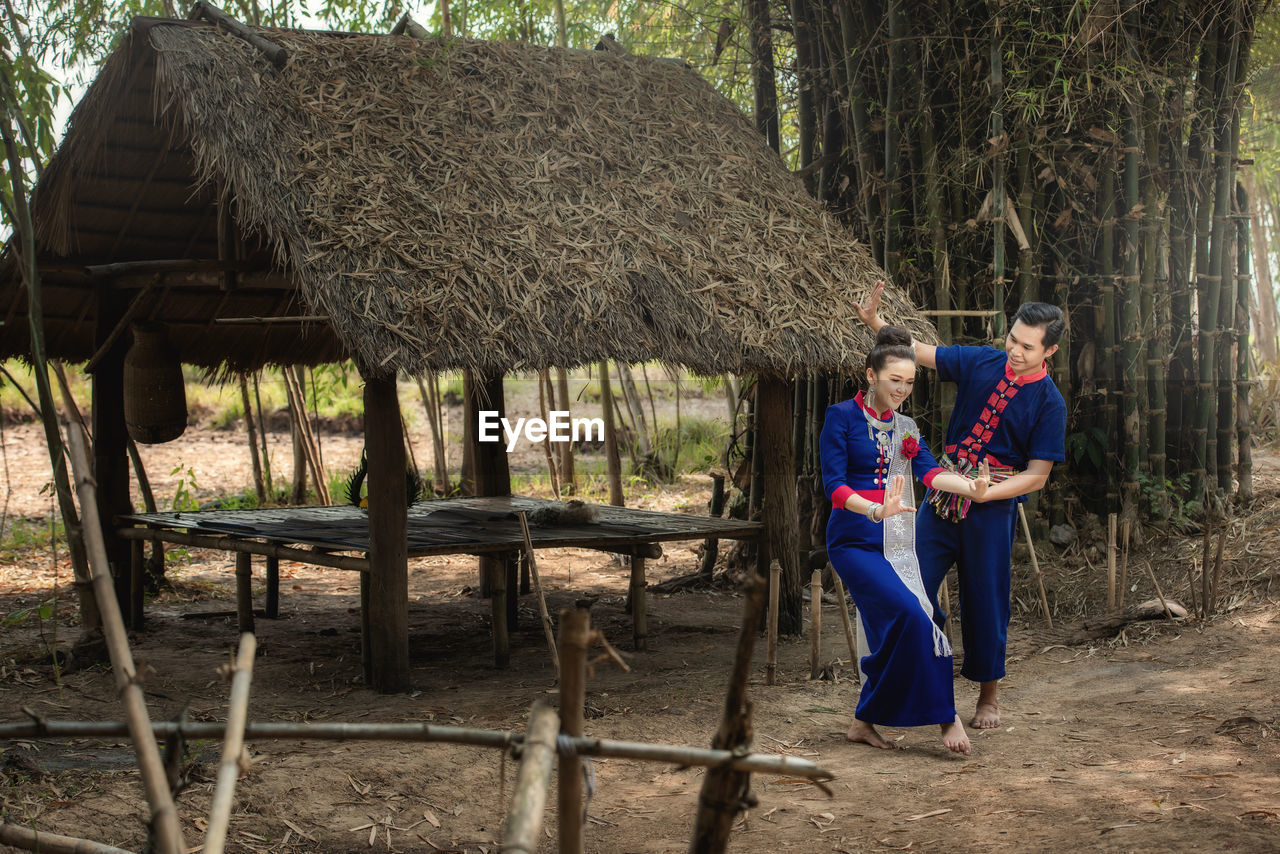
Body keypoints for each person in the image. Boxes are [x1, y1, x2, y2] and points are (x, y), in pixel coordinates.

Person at [855, 282, 1067, 730]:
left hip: (992, 508)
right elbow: (923, 353)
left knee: (986, 600)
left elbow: (1038, 474)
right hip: (943, 493)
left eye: (1027, 347)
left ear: (1049, 351)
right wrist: (875, 323)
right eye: (1012, 338)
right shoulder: (984, 360)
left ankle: (989, 696)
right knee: (908, 586)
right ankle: (899, 688)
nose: (1014, 350)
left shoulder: (1050, 402)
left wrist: (989, 493)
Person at [821, 325, 990, 755]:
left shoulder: (907, 427)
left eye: (910, 382)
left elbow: (930, 472)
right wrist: (876, 510)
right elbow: (834, 486)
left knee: (922, 616)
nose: (902, 389)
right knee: (914, 616)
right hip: (854, 542)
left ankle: (863, 721)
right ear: (871, 375)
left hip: (896, 542)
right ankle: (945, 716)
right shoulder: (840, 417)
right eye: (894, 380)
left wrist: (969, 487)